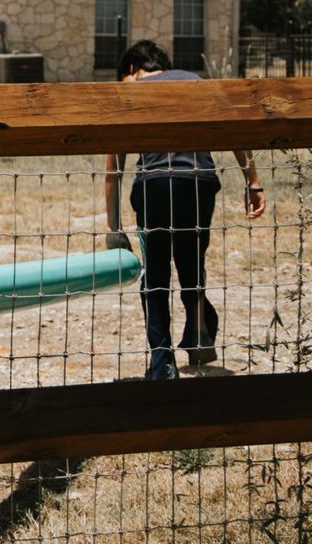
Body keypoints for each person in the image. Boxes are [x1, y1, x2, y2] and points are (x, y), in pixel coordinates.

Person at [103, 39, 265, 381]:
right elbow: (232, 129)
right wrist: (252, 181)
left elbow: (112, 170)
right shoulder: (195, 81)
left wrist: (114, 228)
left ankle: (162, 360)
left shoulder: (132, 92)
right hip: (199, 181)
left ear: (132, 69)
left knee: (156, 272)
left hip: (155, 184)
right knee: (192, 263)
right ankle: (199, 330)